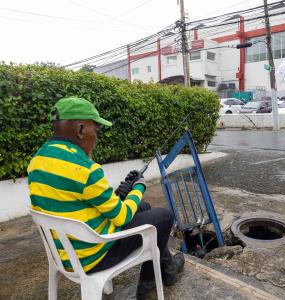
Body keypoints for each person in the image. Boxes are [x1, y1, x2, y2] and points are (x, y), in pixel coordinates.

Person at [27, 97, 184, 299]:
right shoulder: (85, 168)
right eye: (96, 129)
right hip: (94, 256)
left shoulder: (37, 161)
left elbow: (80, 202)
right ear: (81, 129)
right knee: (163, 216)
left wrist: (120, 193)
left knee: (144, 208)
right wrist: (138, 187)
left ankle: (168, 268)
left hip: (64, 254)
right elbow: (121, 217)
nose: (97, 136)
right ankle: (150, 280)